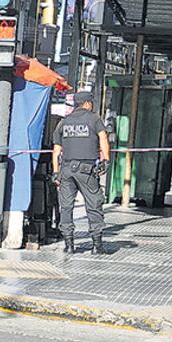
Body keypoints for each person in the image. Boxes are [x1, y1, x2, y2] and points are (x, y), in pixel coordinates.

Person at [52, 91, 111, 255]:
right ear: (86, 103)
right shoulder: (94, 119)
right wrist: (106, 159)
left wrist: (56, 172)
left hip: (66, 169)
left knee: (66, 206)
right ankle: (97, 245)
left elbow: (56, 151)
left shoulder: (64, 123)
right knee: (93, 204)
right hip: (86, 169)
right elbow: (103, 138)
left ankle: (69, 245)